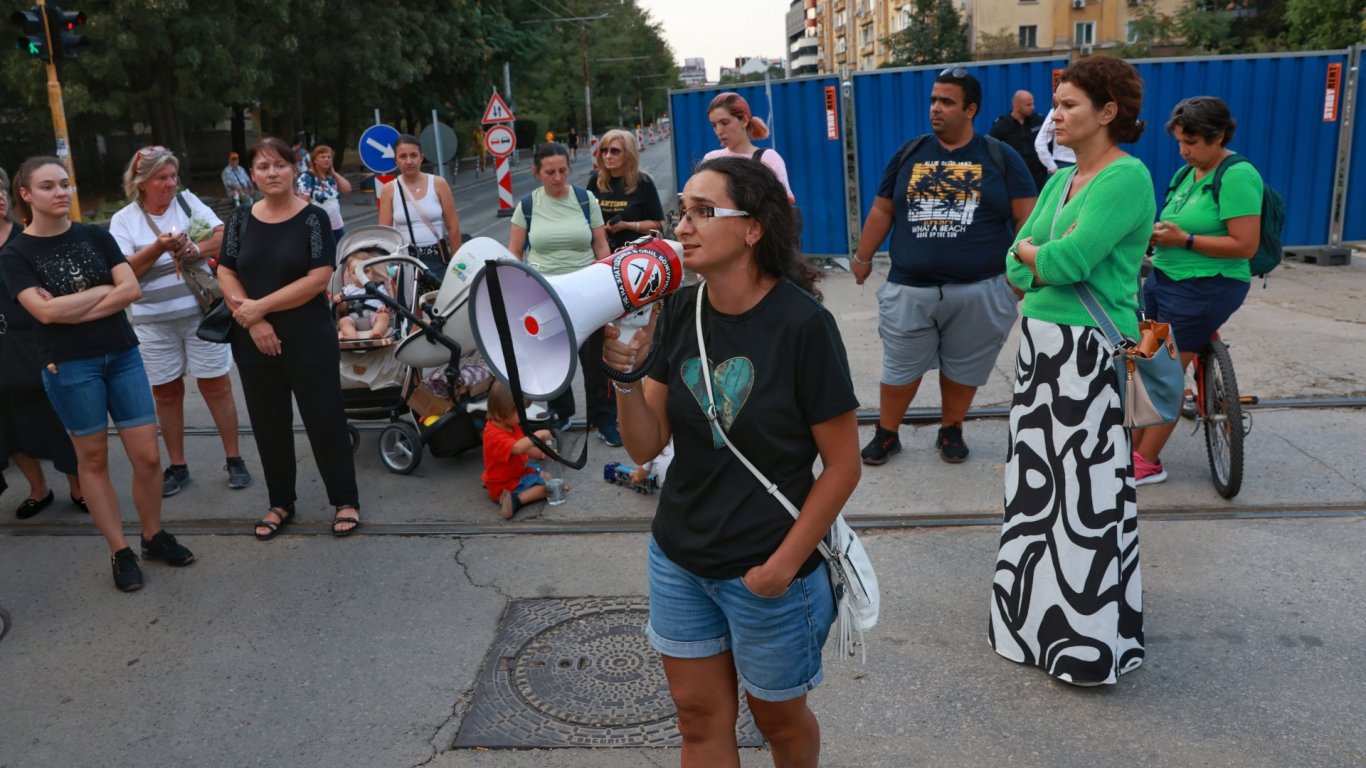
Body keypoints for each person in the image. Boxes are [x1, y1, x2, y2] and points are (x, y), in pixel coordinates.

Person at [602, 156, 860, 767]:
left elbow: (844, 466)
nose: (682, 227)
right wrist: (625, 381)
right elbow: (644, 446)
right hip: (679, 559)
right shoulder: (683, 308)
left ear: (753, 229)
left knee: (779, 721)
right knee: (697, 721)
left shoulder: (804, 325)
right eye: (681, 212)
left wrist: (780, 568)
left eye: (702, 212)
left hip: (768, 572)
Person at [991, 55, 1154, 686]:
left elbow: (1071, 262)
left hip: (1085, 355)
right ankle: (1029, 628)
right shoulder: (1060, 183)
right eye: (1055, 104)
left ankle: (1084, 643)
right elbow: (1016, 259)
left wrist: (1039, 259)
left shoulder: (1125, 178)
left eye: (1068, 105)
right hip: (1039, 348)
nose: (1055, 115)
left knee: (1084, 499)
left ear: (1108, 112)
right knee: (1036, 498)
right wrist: (1038, 258)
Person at [1, 156, 196, 592]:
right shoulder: (15, 254)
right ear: (27, 195)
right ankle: (119, 551)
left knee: (147, 456)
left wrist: (68, 308)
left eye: (65, 183)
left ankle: (151, 536)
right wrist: (101, 292)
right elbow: (43, 313)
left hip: (122, 354)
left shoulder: (95, 234)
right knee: (93, 460)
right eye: (48, 186)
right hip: (68, 366)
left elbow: (132, 289)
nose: (61, 192)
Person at [851, 68, 1036, 467]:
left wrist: (1016, 282)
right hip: (910, 288)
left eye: (947, 101)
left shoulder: (1000, 157)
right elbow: (883, 209)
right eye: (934, 99)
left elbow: (1028, 219)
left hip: (982, 287)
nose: (936, 108)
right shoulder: (909, 153)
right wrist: (862, 257)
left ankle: (951, 429)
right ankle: (887, 433)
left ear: (971, 109)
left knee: (963, 367)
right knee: (899, 366)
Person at [216, 137, 361, 540]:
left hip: (307, 334)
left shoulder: (313, 218)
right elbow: (226, 271)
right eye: (262, 167)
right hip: (252, 337)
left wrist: (260, 308)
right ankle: (280, 501)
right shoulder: (240, 218)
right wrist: (253, 318)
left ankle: (345, 500)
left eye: (279, 165)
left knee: (324, 417)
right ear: (251, 174)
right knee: (268, 422)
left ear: (294, 168)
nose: (272, 173)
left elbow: (317, 278)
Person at [1133, 96, 1263, 486]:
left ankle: (1147, 461)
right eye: (1179, 142)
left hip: (1205, 287)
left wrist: (1185, 240)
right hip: (1165, 281)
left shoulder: (1237, 175)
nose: (1184, 150)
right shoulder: (1185, 175)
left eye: (1191, 142)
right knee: (1145, 363)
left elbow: (1245, 245)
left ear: (1218, 136)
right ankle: (1133, 447)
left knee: (1165, 372)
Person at [109, 146, 252, 498]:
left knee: (216, 386)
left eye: (173, 176)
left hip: (203, 316)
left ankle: (234, 458)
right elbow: (124, 271)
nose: (171, 183)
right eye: (162, 177)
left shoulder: (188, 203)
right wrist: (159, 248)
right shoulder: (124, 220)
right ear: (141, 182)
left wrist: (194, 250)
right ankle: (178, 465)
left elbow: (222, 237)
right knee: (167, 394)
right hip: (153, 324)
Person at [506, 142, 615, 444]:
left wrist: (606, 282)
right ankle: (561, 414)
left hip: (585, 290)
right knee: (555, 359)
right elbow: (514, 254)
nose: (557, 177)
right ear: (536, 173)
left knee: (596, 361)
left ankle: (605, 420)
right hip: (545, 294)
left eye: (563, 170)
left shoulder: (584, 199)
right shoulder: (527, 206)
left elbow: (601, 246)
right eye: (550, 172)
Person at [0, 166, 84, 519]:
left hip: (35, 341)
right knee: (8, 423)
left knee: (54, 417)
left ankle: (80, 487)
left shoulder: (26, 238)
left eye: (1, 188)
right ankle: (38, 488)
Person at [378, 134, 462, 283]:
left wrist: (456, 266)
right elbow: (385, 234)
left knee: (437, 304)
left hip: (438, 257)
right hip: (407, 259)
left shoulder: (438, 183)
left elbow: (453, 227)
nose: (409, 161)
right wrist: (389, 268)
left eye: (413, 155)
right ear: (395, 160)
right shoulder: (389, 190)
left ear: (421, 158)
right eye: (403, 156)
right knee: (412, 304)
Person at [703, 92, 796, 204]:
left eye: (725, 123)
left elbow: (785, 203)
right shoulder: (711, 159)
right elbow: (697, 203)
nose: (718, 131)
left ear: (744, 121)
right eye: (714, 125)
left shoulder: (767, 158)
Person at [481, 381, 553, 520]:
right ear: (505, 410)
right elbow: (517, 448)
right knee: (548, 489)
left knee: (547, 476)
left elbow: (524, 449)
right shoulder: (494, 434)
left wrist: (543, 454)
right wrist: (538, 435)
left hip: (515, 473)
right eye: (520, 412)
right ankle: (515, 501)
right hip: (505, 484)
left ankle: (510, 496)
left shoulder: (510, 426)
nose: (523, 416)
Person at [589, 129, 665, 252]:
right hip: (601, 254)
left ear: (628, 154)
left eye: (615, 151)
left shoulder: (643, 182)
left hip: (635, 255)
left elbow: (660, 224)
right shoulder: (595, 181)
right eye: (604, 150)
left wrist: (626, 225)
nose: (608, 156)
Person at [990, 89, 1049, 193]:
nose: (1033, 107)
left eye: (1032, 104)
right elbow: (992, 150)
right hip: (1014, 176)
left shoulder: (1039, 121)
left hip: (1039, 176)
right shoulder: (1002, 125)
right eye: (1028, 105)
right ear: (1016, 105)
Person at [295, 144, 352, 243]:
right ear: (315, 160)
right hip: (319, 229)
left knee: (342, 255)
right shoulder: (307, 177)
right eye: (322, 157)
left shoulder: (331, 178)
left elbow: (347, 189)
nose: (327, 159)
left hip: (337, 227)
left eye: (329, 157)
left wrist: (334, 174)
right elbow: (302, 206)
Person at [335, 250, 391, 340]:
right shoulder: (348, 290)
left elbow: (389, 302)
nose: (361, 276)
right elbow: (342, 309)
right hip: (353, 319)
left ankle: (376, 333)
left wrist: (384, 307)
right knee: (343, 321)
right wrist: (339, 301)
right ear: (349, 275)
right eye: (355, 273)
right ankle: (352, 336)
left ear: (372, 273)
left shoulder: (378, 287)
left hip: (374, 316)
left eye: (366, 271)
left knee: (384, 316)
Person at [1034, 105, 1077, 178]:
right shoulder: (1056, 111)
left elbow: (1040, 143)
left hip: (1066, 165)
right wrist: (1052, 167)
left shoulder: (1056, 111)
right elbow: (1040, 143)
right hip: (1063, 165)